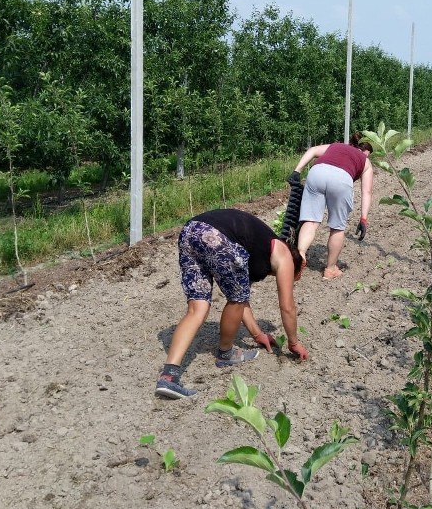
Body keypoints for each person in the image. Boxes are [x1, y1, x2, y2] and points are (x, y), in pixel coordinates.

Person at [155, 207, 308, 399]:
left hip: (190, 232)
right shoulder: (284, 254)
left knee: (198, 308)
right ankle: (225, 354)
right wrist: (293, 342)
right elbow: (287, 306)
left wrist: (257, 334)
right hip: (215, 236)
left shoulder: (257, 251)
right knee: (235, 299)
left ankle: (168, 377)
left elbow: (241, 297)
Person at [289, 132, 373, 280]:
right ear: (364, 151)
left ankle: (300, 256)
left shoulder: (336, 146)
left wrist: (297, 170)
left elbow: (313, 150)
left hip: (317, 173)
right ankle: (330, 269)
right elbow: (367, 192)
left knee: (310, 220)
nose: (367, 157)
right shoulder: (365, 162)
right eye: (368, 154)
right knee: (337, 227)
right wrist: (363, 219)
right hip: (341, 179)